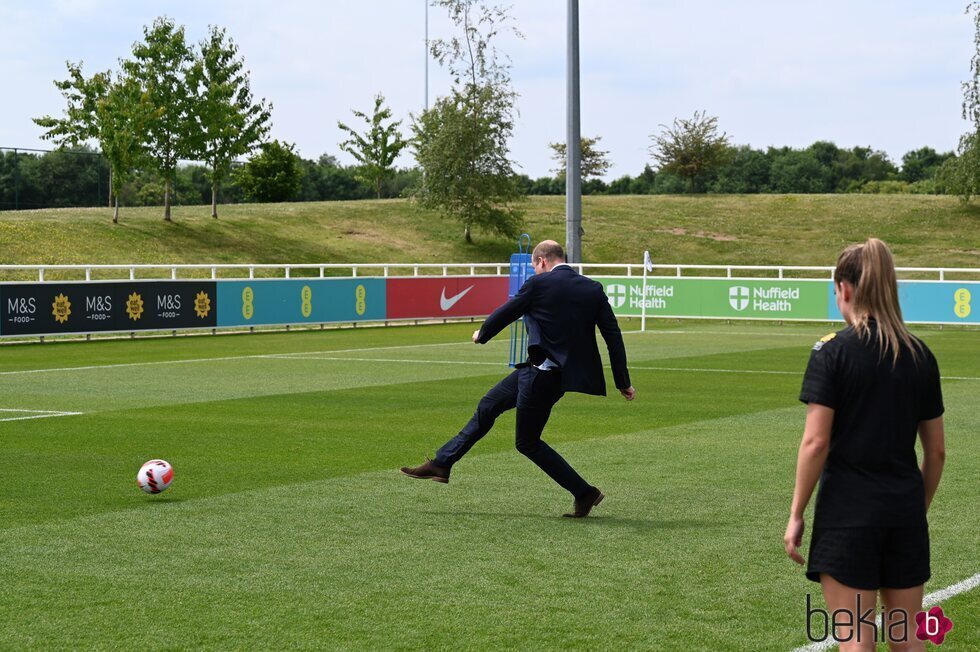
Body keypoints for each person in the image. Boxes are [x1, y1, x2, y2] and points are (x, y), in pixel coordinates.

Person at [783, 238, 946, 651]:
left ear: (846, 289)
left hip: (848, 514)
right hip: (904, 512)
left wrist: (797, 513)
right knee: (907, 636)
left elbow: (815, 442)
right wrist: (914, 507)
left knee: (856, 639)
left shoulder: (832, 352)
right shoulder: (920, 354)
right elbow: (937, 452)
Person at [401, 240, 636, 517]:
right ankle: (442, 462)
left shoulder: (539, 284)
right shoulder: (592, 289)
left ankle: (584, 492)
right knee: (488, 405)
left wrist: (482, 334)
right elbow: (613, 336)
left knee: (528, 442)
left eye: (534, 267)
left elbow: (508, 310)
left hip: (543, 376)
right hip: (545, 373)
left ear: (542, 262)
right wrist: (623, 381)